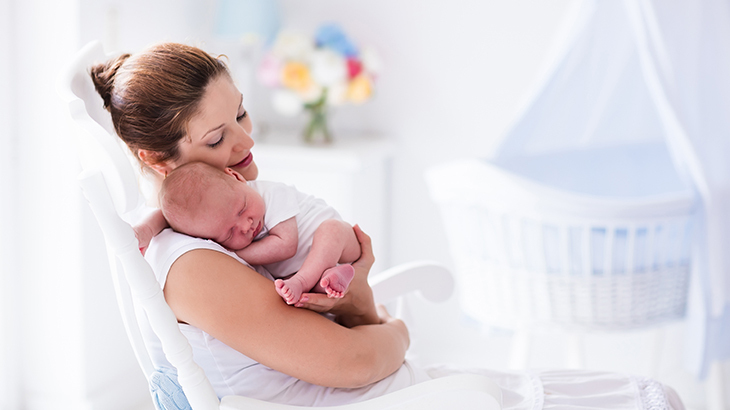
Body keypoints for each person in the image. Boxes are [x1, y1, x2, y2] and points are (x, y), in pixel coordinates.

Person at [89, 42, 686, 408]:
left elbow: (352, 324)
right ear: (157, 158)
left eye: (241, 112)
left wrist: (359, 296)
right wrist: (397, 332)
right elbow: (352, 362)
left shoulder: (243, 219)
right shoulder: (195, 267)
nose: (247, 140)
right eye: (218, 138)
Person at [158, 161, 360, 304]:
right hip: (307, 273)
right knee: (302, 292)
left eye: (242, 209)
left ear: (237, 177)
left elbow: (286, 245)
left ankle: (310, 279)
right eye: (229, 233)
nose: (246, 226)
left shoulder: (272, 194)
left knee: (331, 229)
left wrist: (233, 253)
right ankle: (330, 280)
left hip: (342, 244)